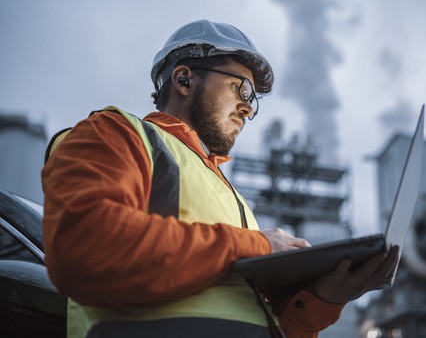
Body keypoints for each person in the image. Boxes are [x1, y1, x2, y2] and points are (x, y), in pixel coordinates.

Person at [42, 19, 400, 338]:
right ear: (184, 79)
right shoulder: (117, 134)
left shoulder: (233, 200)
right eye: (240, 89)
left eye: (253, 100)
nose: (247, 107)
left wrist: (323, 299)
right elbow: (85, 248)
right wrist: (256, 246)